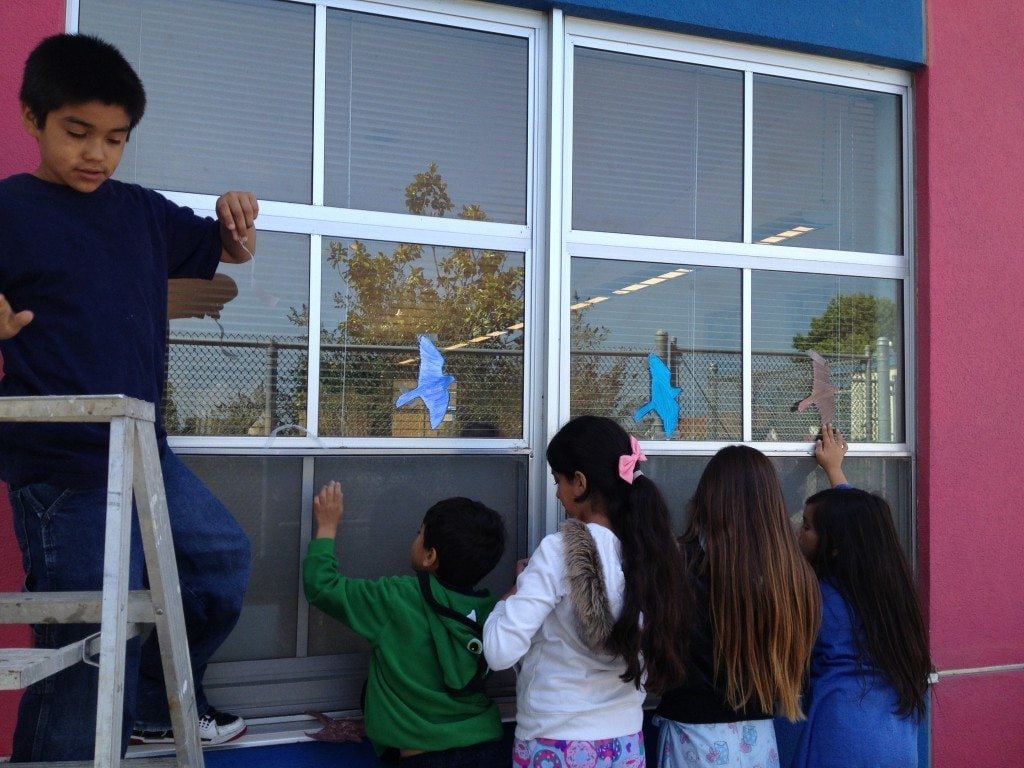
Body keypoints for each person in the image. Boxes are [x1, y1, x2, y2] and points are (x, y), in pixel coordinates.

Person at [0, 33, 256, 760]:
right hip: (65, 469)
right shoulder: (12, 210)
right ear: (31, 118)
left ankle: (152, 703)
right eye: (77, 133)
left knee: (218, 563)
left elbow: (228, 249)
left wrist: (238, 217)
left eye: (115, 139)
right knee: (82, 655)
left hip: (148, 453)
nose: (96, 154)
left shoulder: (140, 212)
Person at [483, 415, 691, 768]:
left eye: (558, 481)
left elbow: (500, 652)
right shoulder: (655, 555)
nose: (557, 494)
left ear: (579, 483)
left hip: (554, 743)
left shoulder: (558, 551)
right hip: (624, 745)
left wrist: (513, 594)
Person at [303, 481, 507, 766]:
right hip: (487, 748)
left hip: (422, 758)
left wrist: (327, 526)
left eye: (419, 534)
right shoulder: (492, 613)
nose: (414, 538)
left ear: (430, 556)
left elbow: (321, 587)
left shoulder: (398, 598)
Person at [654, 445, 821, 768]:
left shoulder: (682, 563)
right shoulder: (792, 572)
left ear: (707, 497)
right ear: (771, 502)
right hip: (759, 738)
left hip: (692, 734)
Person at [786, 426, 931, 768]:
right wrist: (836, 473)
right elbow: (859, 525)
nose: (797, 532)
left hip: (840, 734)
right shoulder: (888, 592)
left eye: (806, 527)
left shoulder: (817, 596)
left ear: (834, 546)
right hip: (897, 737)